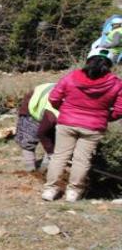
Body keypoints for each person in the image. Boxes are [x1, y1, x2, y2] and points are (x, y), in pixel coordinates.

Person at [41, 48, 122, 202]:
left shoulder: (71, 77)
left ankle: (50, 190)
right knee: (82, 160)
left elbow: (54, 98)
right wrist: (104, 117)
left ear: (88, 61)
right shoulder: (116, 83)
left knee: (59, 157)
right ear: (110, 64)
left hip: (67, 123)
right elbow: (120, 109)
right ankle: (73, 192)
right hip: (93, 127)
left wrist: (64, 111)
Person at [15, 83, 59, 172]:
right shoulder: (53, 113)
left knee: (54, 139)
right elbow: (42, 133)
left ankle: (45, 168)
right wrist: (51, 153)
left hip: (50, 105)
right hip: (33, 104)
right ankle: (30, 168)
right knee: (28, 138)